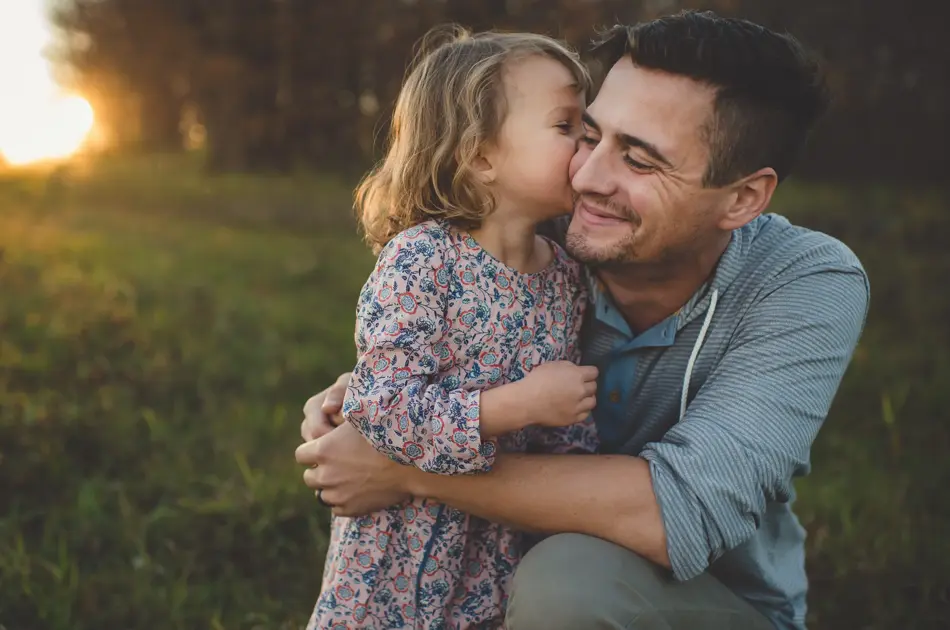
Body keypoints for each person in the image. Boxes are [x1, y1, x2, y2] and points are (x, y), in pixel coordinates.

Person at [297, 11, 870, 630]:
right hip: (485, 575)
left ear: (742, 198)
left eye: (640, 161)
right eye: (588, 134)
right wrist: (353, 403)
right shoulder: (530, 237)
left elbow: (680, 512)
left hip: (715, 602)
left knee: (568, 584)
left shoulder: (805, 280)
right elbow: (420, 365)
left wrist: (403, 469)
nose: (588, 177)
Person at [307, 27, 602, 630]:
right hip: (399, 551)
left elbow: (562, 426)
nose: (588, 145)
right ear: (481, 156)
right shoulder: (423, 258)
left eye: (586, 126)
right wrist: (516, 406)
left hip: (496, 542)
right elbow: (383, 408)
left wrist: (573, 455)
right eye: (565, 126)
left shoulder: (566, 276)